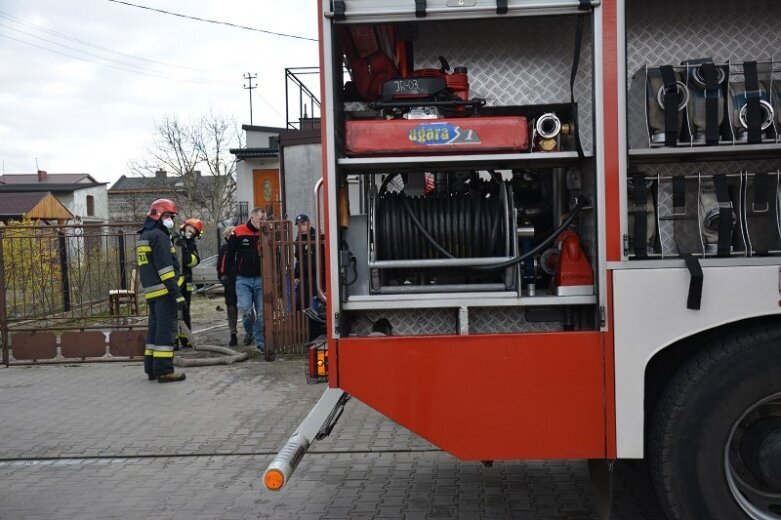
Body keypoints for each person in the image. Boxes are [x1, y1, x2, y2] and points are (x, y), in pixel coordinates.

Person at [137, 198, 186, 383]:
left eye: (171, 216)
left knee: (155, 330)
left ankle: (151, 368)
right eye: (167, 215)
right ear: (157, 215)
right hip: (164, 292)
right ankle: (164, 371)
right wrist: (177, 294)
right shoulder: (159, 236)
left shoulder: (145, 235)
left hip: (151, 292)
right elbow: (165, 270)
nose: (170, 219)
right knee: (165, 331)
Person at [225, 207, 267, 351]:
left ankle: (260, 342)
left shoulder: (265, 232)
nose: (263, 221)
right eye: (261, 218)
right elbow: (229, 253)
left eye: (264, 219)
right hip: (242, 279)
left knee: (261, 313)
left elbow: (275, 253)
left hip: (260, 278)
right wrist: (225, 273)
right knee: (246, 310)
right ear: (253, 216)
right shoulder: (238, 232)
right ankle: (250, 332)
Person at [175, 218, 203, 349]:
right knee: (173, 312)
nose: (191, 232)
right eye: (190, 228)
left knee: (185, 312)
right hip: (173, 281)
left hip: (185, 283)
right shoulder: (173, 239)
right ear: (184, 227)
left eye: (194, 231)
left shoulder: (191, 245)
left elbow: (194, 261)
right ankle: (173, 341)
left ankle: (185, 339)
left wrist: (185, 249)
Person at [217, 225, 239, 346]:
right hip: (230, 283)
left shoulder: (242, 247)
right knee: (231, 309)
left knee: (247, 309)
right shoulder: (224, 249)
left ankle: (249, 333)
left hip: (242, 281)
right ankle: (233, 334)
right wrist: (223, 279)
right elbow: (220, 266)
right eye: (231, 234)